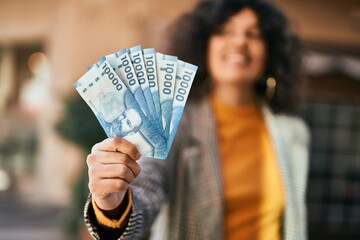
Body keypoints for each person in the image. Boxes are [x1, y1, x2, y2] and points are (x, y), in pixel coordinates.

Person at [84, 0, 309, 239]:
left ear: (271, 51)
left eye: (254, 34)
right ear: (204, 45)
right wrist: (113, 205)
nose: (240, 41)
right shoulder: (175, 123)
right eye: (225, 31)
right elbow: (147, 187)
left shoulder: (292, 131)